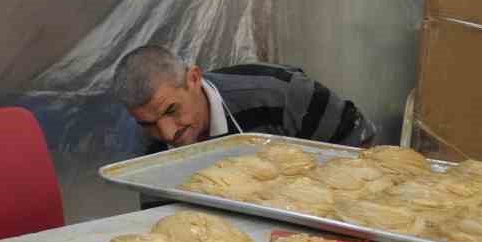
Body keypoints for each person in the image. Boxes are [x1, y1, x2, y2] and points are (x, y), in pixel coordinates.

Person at [111, 44, 375, 153]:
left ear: (193, 79)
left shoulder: (279, 94)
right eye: (147, 123)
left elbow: (358, 136)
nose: (167, 134)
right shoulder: (145, 139)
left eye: (171, 110)